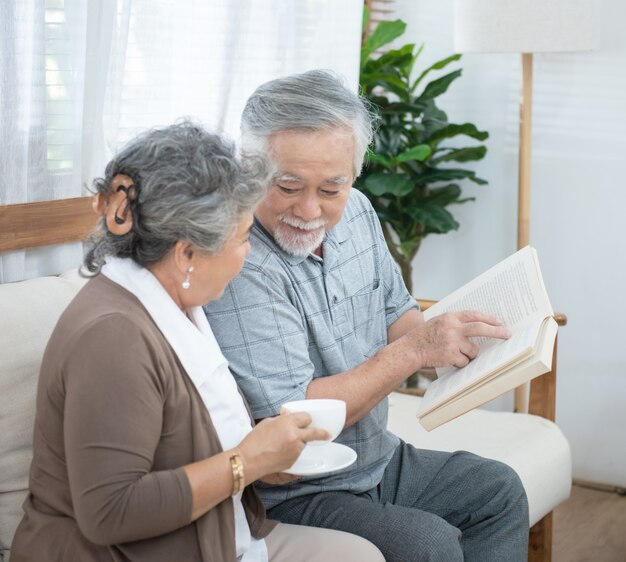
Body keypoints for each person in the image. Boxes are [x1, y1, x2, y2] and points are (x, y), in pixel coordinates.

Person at [10, 121, 384, 562]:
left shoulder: (177, 307)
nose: (247, 255)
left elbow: (191, 441)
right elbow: (109, 512)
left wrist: (268, 455)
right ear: (187, 252)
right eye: (242, 238)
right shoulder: (113, 340)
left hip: (214, 532)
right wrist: (248, 462)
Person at [204, 71, 530, 562]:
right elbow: (299, 415)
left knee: (496, 490)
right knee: (427, 544)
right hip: (295, 491)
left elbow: (399, 316)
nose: (309, 209)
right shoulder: (239, 258)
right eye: (288, 186)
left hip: (378, 457)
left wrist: (473, 348)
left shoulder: (356, 211)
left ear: (353, 175)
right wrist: (417, 349)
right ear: (250, 170)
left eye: (331, 188)